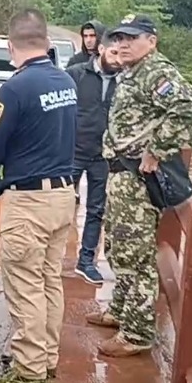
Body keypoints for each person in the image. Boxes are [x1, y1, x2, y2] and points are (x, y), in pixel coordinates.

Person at [89, 14, 192, 357]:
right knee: (118, 248)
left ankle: (137, 334)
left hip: (137, 178)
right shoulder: (133, 71)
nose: (122, 44)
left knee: (136, 256)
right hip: (121, 175)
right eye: (119, 38)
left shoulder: (156, 72)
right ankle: (121, 312)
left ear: (151, 41)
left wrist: (157, 150)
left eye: (132, 38)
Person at [0, 9, 78, 383]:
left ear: (10, 46)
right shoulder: (65, 81)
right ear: (47, 44)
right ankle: (48, 358)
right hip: (63, 196)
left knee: (26, 287)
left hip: (30, 203)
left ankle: (29, 372)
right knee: (50, 281)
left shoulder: (15, 88)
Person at [65, 31, 121, 286]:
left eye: (122, 55)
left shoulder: (125, 82)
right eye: (113, 53)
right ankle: (51, 259)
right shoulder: (76, 74)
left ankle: (87, 261)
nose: (118, 59)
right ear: (101, 49)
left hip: (103, 156)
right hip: (73, 151)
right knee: (60, 206)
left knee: (96, 210)